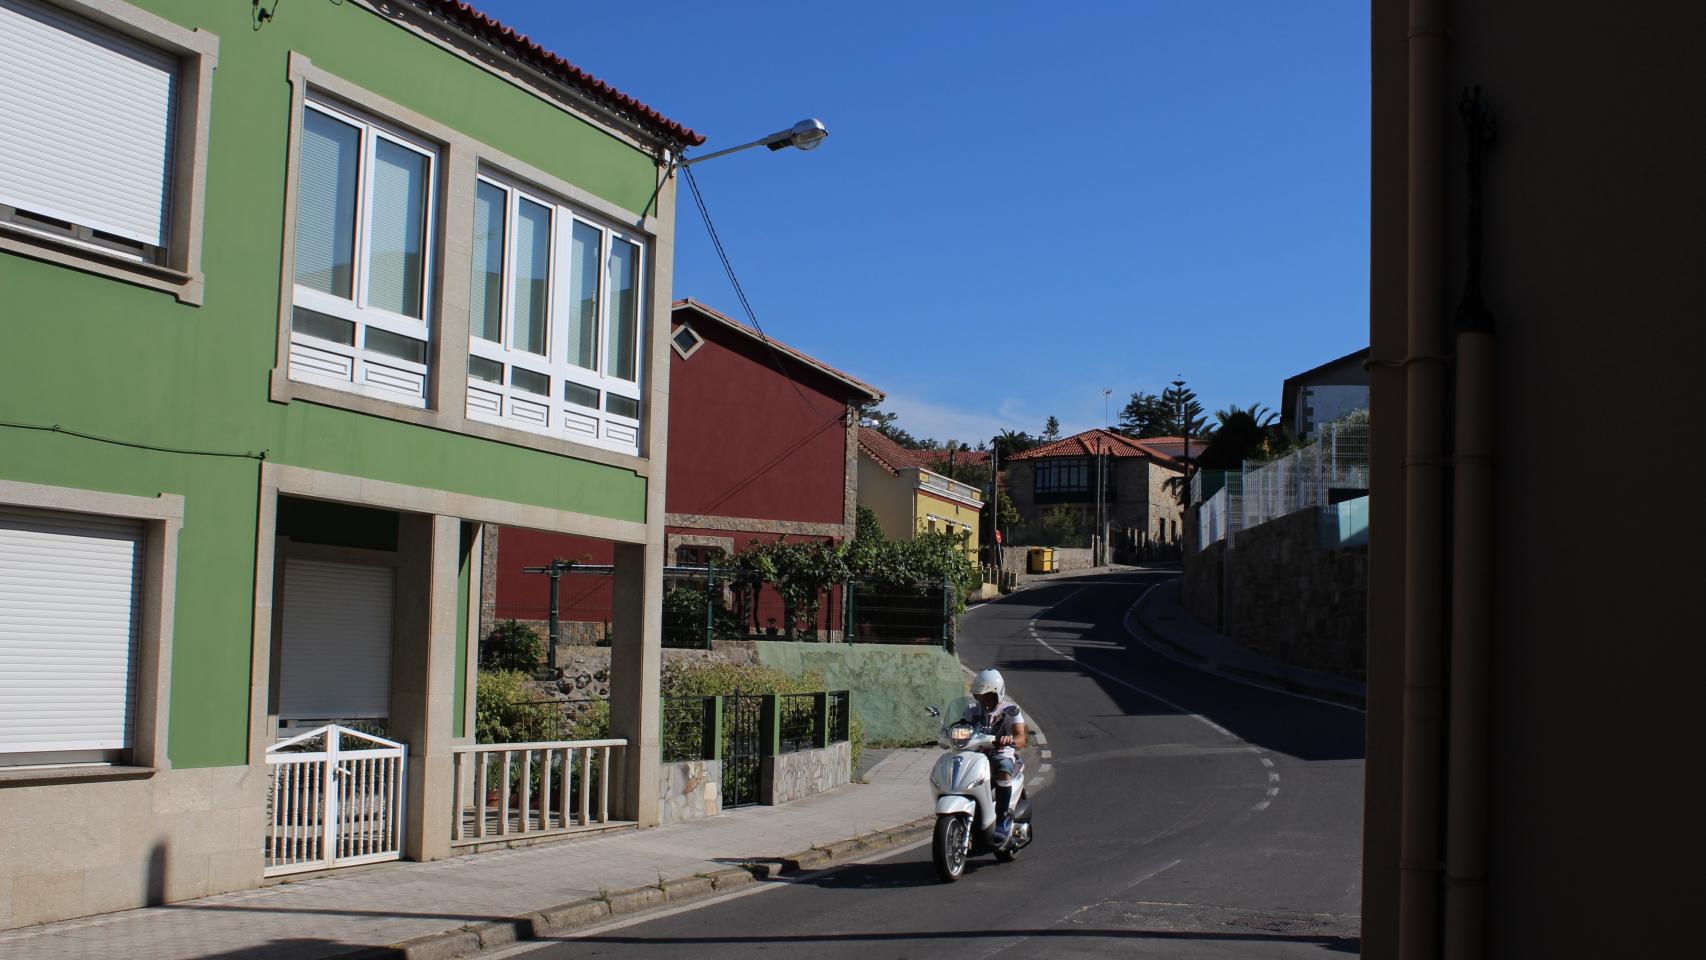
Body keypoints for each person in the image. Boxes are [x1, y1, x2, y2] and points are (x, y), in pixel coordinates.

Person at [965, 668, 1026, 843]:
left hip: (1000, 753)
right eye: (979, 695)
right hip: (976, 754)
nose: (983, 699)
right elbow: (961, 726)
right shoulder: (971, 710)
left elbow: (1021, 737)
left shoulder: (1010, 710)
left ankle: (1002, 820)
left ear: (997, 693)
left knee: (1002, 769)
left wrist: (1010, 739)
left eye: (988, 695)